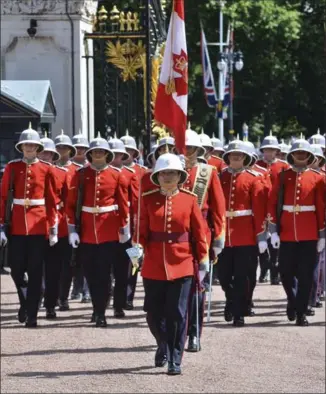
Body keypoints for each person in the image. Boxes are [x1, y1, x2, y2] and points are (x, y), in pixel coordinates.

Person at [135, 153, 208, 375]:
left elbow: (199, 232)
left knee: (177, 313)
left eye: (172, 173)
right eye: (164, 173)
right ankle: (163, 344)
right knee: (154, 313)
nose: (168, 177)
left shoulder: (188, 199)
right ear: (157, 176)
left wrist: (203, 260)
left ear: (180, 176)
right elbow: (140, 232)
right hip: (154, 263)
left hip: (182, 262)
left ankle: (175, 358)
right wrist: (136, 250)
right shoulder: (147, 199)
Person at [66, 136, 130, 327]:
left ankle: (100, 311)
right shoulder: (81, 174)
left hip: (108, 230)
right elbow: (71, 204)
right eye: (95, 151)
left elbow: (122, 204)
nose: (98, 154)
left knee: (103, 274)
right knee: (90, 273)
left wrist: (124, 227)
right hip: (86, 230)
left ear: (107, 154)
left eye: (102, 151)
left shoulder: (117, 175)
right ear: (90, 154)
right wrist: (72, 230)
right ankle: (96, 307)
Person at [0, 124, 57, 327]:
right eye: (26, 145)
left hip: (38, 225)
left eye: (33, 145)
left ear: (38, 148)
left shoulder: (46, 169)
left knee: (35, 270)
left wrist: (53, 228)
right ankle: (26, 301)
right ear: (21, 147)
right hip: (16, 224)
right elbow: (4, 196)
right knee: (16, 270)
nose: (29, 148)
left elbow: (51, 200)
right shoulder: (12, 167)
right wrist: (1, 226)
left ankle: (32, 313)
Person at [267, 139, 325, 326]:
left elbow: (322, 207)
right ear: (292, 155)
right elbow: (273, 203)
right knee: (285, 272)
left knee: (306, 274)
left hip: (309, 233)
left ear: (309, 156)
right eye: (297, 153)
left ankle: (301, 312)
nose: (300, 156)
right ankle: (292, 300)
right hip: (287, 232)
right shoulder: (283, 176)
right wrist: (273, 230)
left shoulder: (317, 178)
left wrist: (322, 234)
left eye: (303, 153)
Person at [182, 126, 225, 351]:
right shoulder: (168, 171)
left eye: (189, 147)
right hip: (175, 238)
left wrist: (218, 241)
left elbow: (218, 209)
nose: (185, 150)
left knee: (197, 288)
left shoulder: (208, 172)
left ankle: (194, 334)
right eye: (183, 146)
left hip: (202, 237)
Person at [218, 140, 267, 326]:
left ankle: (238, 312)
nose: (235, 157)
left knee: (241, 275)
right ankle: (231, 299)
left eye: (239, 154)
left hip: (245, 234)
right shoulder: (220, 177)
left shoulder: (253, 178)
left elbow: (259, 209)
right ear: (228, 157)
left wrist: (261, 236)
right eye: (232, 154)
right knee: (223, 276)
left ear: (245, 157)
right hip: (223, 233)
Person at [38, 135, 68, 319]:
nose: (45, 156)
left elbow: (66, 201)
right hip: (35, 223)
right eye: (43, 152)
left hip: (56, 224)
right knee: (32, 267)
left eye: (49, 153)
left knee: (54, 268)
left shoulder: (61, 173)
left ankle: (50, 303)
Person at [108, 136, 139, 316]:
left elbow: (135, 203)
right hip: (109, 226)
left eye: (119, 155)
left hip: (129, 227)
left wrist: (135, 229)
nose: (116, 159)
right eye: (113, 155)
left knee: (130, 266)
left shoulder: (131, 174)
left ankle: (123, 300)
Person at [256, 133, 290, 285]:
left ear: (277, 151)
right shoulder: (257, 165)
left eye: (272, 150)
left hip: (277, 207)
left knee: (275, 242)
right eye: (266, 150)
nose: (269, 153)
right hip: (260, 206)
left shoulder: (283, 166)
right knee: (261, 239)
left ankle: (275, 273)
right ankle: (264, 268)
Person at [54, 131, 80, 311]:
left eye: (64, 147)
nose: (61, 150)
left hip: (70, 223)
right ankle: (52, 295)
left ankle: (63, 296)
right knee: (51, 263)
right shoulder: (51, 168)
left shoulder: (77, 170)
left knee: (68, 264)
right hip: (53, 222)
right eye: (58, 147)